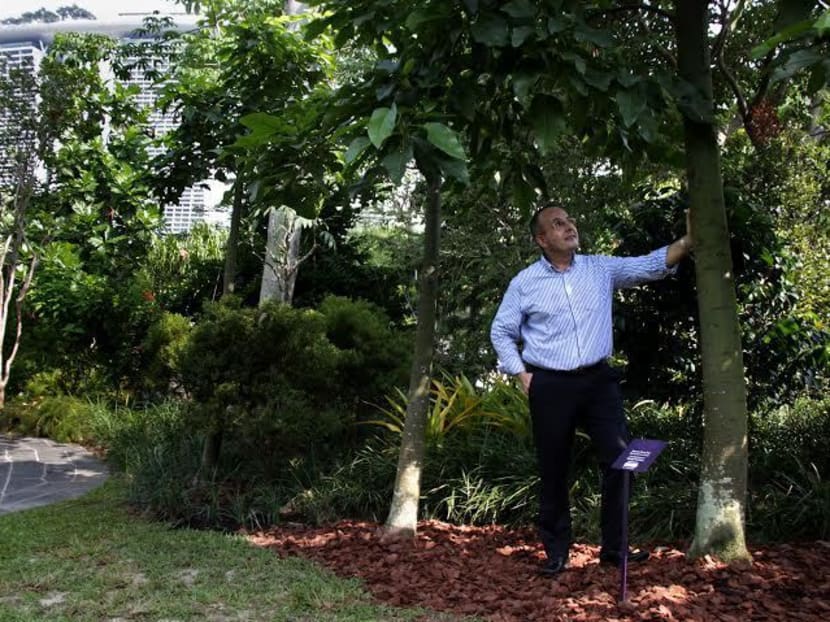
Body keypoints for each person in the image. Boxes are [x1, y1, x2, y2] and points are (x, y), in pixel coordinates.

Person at [489, 202, 692, 576]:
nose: (569, 226)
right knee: (554, 468)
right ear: (541, 239)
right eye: (557, 223)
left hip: (599, 381)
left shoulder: (600, 268)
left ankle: (615, 549)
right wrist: (521, 374)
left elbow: (648, 265)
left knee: (621, 459)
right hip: (549, 384)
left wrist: (688, 240)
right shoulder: (524, 282)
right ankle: (556, 552)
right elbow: (501, 331)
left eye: (569, 219)